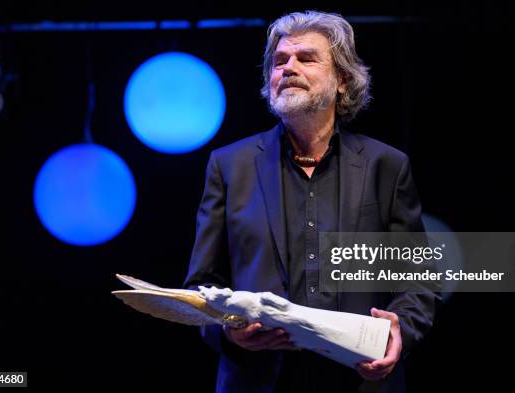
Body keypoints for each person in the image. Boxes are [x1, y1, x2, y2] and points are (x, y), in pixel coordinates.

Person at [184, 10, 439, 393]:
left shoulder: (387, 166)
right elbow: (202, 285)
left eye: (306, 58)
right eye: (279, 61)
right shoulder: (229, 165)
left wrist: (398, 329)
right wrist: (228, 332)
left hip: (360, 378)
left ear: (342, 80)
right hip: (258, 380)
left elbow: (417, 280)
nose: (288, 68)